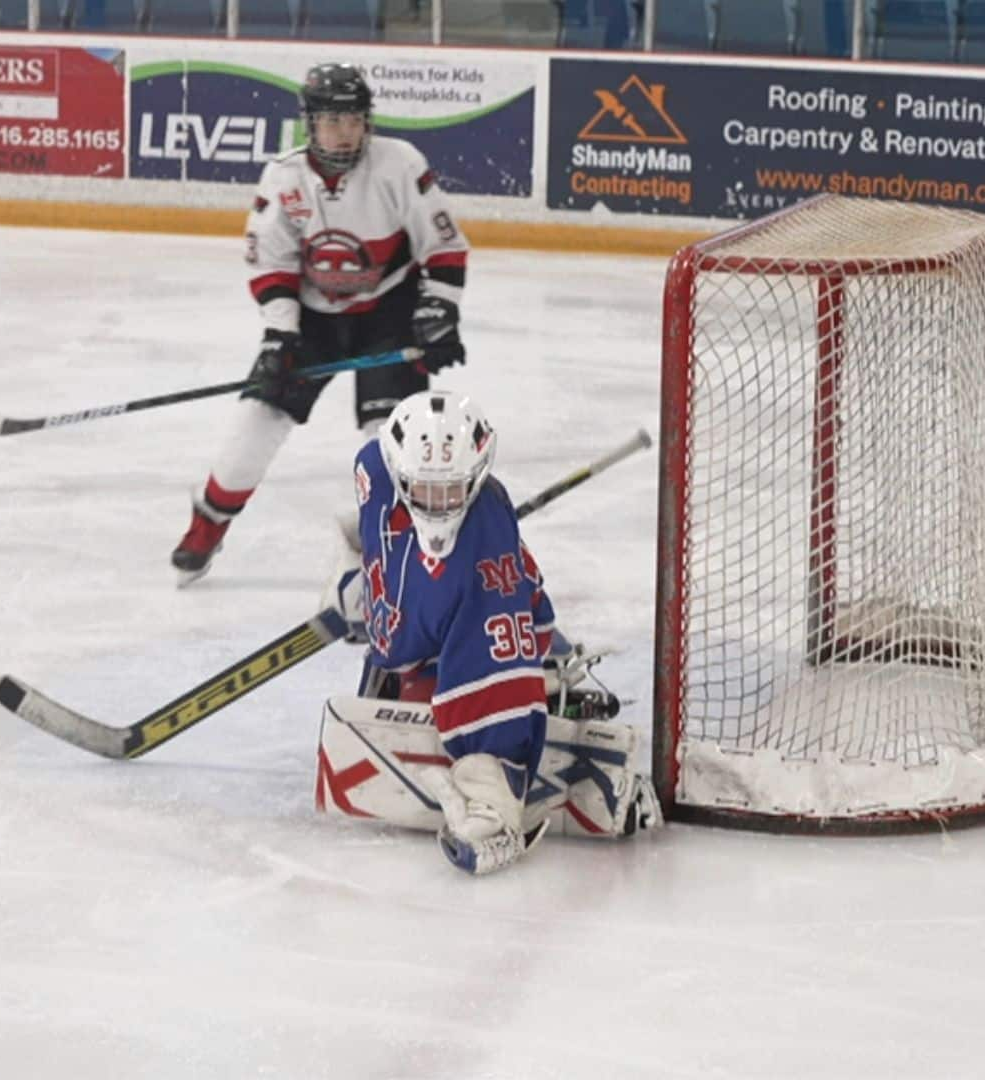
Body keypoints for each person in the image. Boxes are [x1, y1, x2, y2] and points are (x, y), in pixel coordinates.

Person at [312, 390, 660, 875]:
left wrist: (495, 771)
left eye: (452, 491)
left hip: (463, 644)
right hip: (422, 628)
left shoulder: (481, 548)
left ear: (476, 475)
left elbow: (504, 627)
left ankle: (495, 785)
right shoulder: (374, 465)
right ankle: (539, 675)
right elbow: (378, 525)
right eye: (425, 490)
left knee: (479, 641)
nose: (438, 506)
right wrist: (363, 569)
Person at [170, 62, 470, 585]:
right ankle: (208, 524)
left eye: (353, 119)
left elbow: (442, 244)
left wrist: (438, 313)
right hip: (312, 321)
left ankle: (387, 547)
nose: (344, 131)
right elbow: (271, 261)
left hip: (389, 314)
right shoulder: (283, 177)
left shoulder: (399, 164)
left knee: (392, 440)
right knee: (257, 422)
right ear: (310, 123)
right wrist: (280, 333)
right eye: (331, 120)